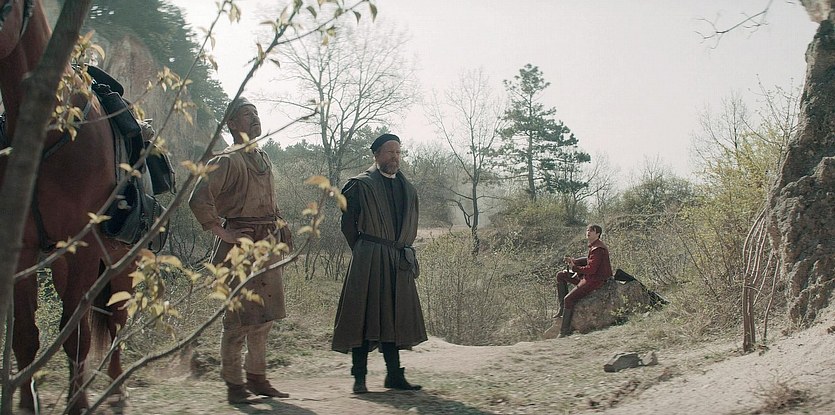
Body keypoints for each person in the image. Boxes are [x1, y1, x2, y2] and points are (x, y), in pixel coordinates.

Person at [188, 97, 292, 404]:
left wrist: (281, 224)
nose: (254, 118)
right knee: (237, 319)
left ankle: (257, 378)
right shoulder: (226, 159)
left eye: (256, 113)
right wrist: (224, 232)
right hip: (239, 248)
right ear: (232, 123)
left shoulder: (263, 157)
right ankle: (234, 385)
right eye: (247, 114)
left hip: (267, 244)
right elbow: (199, 198)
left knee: (264, 317)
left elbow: (268, 199)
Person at [332, 133, 428, 394]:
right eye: (389, 152)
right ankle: (359, 378)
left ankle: (394, 376)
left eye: (398, 152)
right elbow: (347, 225)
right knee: (363, 316)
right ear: (376, 155)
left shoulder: (408, 188)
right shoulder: (359, 185)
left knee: (393, 318)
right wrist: (365, 250)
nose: (395, 157)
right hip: (369, 258)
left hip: (398, 260)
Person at [554, 224, 613, 337]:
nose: (588, 232)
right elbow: (588, 260)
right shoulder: (594, 246)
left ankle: (564, 331)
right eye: (587, 230)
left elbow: (591, 269)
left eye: (591, 230)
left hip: (595, 280)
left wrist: (575, 268)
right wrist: (574, 261)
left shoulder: (598, 249)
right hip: (589, 278)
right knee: (561, 275)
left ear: (598, 234)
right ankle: (562, 308)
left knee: (568, 299)